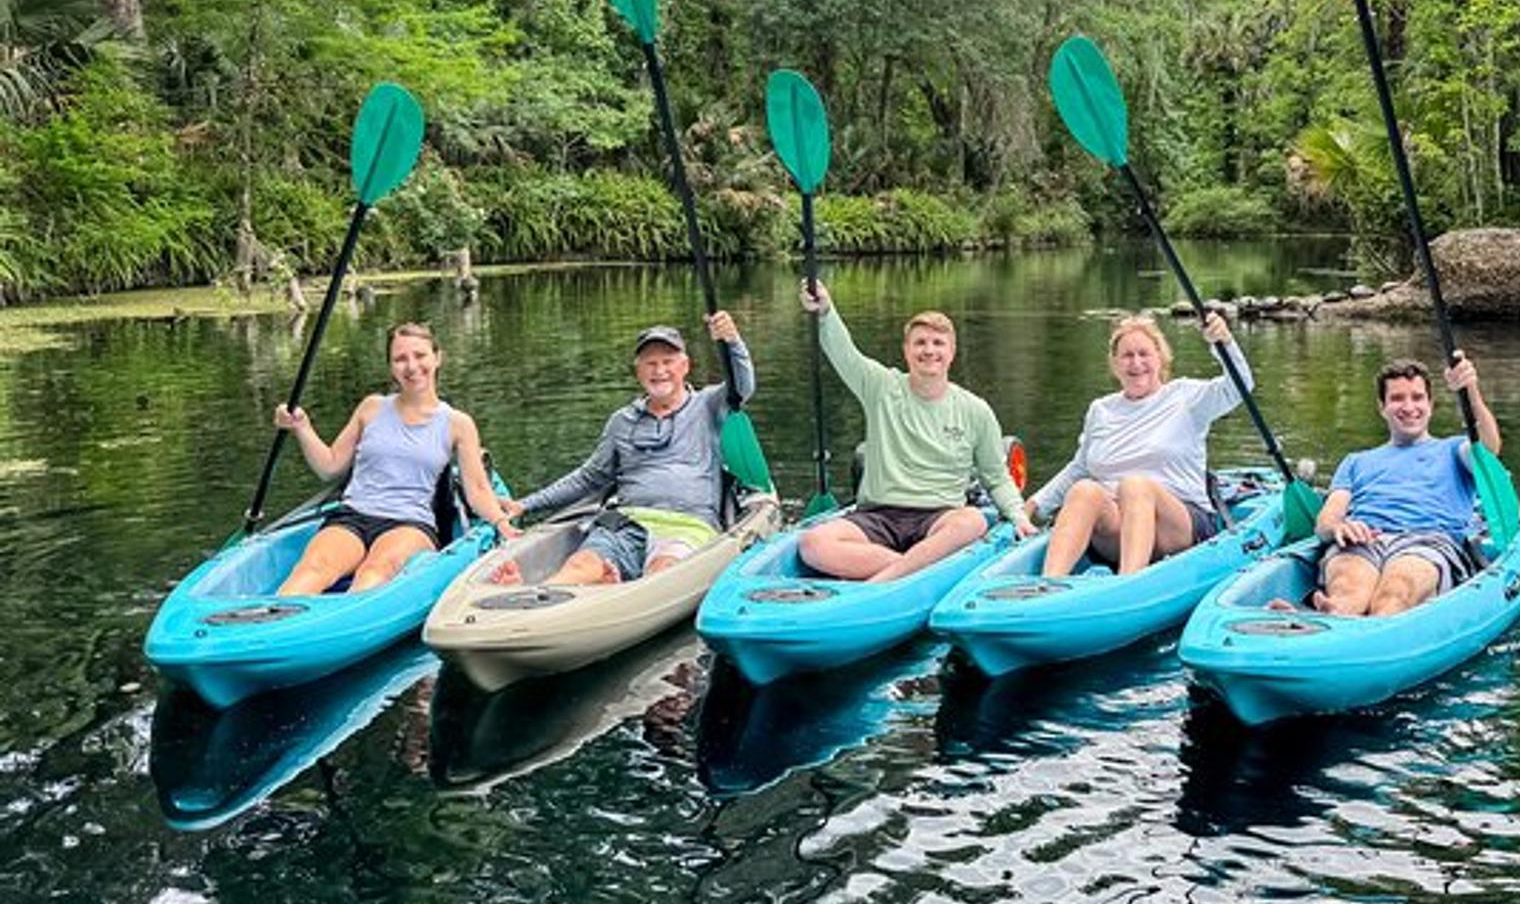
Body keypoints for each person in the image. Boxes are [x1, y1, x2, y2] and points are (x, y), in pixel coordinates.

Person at [796, 282, 1036, 581]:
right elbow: (844, 353)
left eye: (938, 343)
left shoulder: (976, 410)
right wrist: (826, 312)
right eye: (920, 343)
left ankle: (883, 579)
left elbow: (996, 477)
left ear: (952, 352)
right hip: (877, 516)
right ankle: (914, 571)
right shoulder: (881, 387)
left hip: (939, 518)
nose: (929, 351)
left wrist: (1018, 516)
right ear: (906, 350)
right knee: (812, 543)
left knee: (972, 521)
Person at [489, 312, 751, 585]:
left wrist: (732, 340)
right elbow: (588, 478)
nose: (659, 371)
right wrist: (525, 505)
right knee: (581, 563)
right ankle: (537, 594)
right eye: (650, 364)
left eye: (668, 362)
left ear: (685, 366)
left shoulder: (709, 405)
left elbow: (742, 386)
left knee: (663, 570)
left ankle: (616, 581)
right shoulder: (622, 421)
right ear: (638, 371)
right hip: (627, 522)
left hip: (687, 526)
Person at [274, 322, 516, 596]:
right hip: (353, 515)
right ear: (391, 367)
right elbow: (330, 466)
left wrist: (501, 522)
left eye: (420, 355)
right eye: (400, 359)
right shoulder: (372, 407)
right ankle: (267, 627)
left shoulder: (458, 423)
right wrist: (302, 426)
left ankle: (348, 625)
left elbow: (479, 490)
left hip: (410, 523)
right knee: (314, 567)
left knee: (377, 570)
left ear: (437, 357)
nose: (411, 366)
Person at [1027, 311, 1249, 577]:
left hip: (1178, 524)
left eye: (1144, 354)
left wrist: (1223, 342)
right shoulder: (1101, 410)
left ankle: (1129, 580)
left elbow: (1240, 386)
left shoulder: (1186, 397)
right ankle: (1050, 582)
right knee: (1084, 490)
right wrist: (1032, 506)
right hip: (1118, 526)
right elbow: (1079, 468)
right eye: (1127, 356)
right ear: (1115, 364)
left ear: (1160, 357)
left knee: (1135, 486)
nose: (1136, 363)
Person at [1306, 355, 1501, 617]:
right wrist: (1339, 527)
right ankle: (1332, 615)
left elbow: (1489, 449)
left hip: (1427, 541)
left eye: (1418, 397)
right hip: (1365, 539)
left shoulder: (1455, 450)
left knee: (1395, 591)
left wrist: (1471, 393)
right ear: (1382, 407)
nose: (1409, 407)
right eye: (1397, 398)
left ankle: (1370, 630)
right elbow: (1325, 521)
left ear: (1430, 405)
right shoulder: (1355, 461)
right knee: (1347, 589)